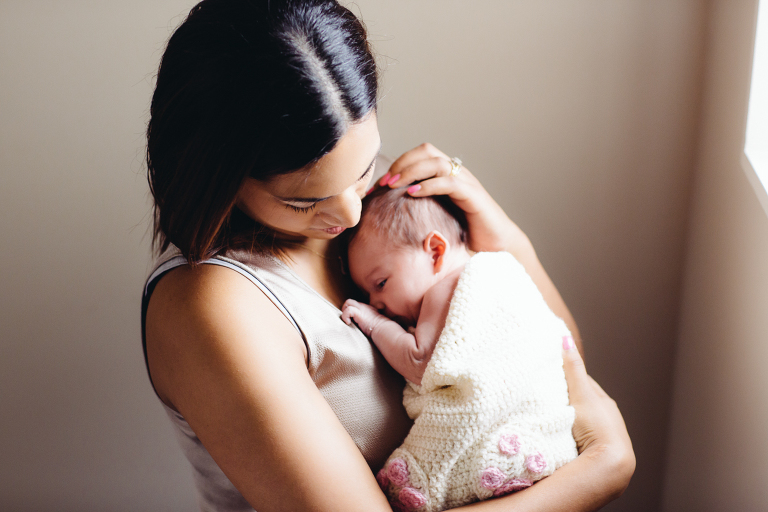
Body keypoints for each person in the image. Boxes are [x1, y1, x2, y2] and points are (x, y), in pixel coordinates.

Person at [141, 1, 635, 511]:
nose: (353, 213)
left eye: (361, 168)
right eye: (303, 201)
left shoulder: (374, 201)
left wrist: (499, 232)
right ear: (217, 178)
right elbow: (585, 406)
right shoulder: (214, 306)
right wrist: (601, 471)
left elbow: (547, 361)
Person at [340, 186, 579, 511]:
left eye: (380, 283)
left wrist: (375, 326)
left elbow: (421, 361)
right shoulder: (495, 268)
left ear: (436, 251)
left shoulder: (448, 288)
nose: (376, 303)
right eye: (367, 295)